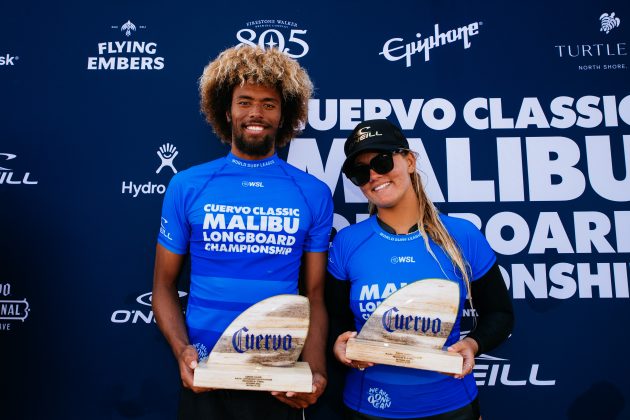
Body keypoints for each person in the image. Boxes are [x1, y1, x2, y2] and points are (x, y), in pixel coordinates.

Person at [152, 45, 333, 420]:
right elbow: (163, 286)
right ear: (226, 110)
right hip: (207, 375)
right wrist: (182, 351)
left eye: (269, 104)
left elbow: (314, 294)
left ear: (285, 114)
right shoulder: (188, 185)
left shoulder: (312, 193)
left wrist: (315, 372)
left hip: (278, 377)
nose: (256, 113)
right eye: (245, 101)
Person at [327, 119, 514, 419]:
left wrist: (472, 344)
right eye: (361, 172)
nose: (374, 175)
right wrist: (337, 343)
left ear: (410, 161)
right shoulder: (348, 243)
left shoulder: (462, 236)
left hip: (451, 406)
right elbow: (333, 318)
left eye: (382, 161)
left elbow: (500, 314)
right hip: (368, 407)